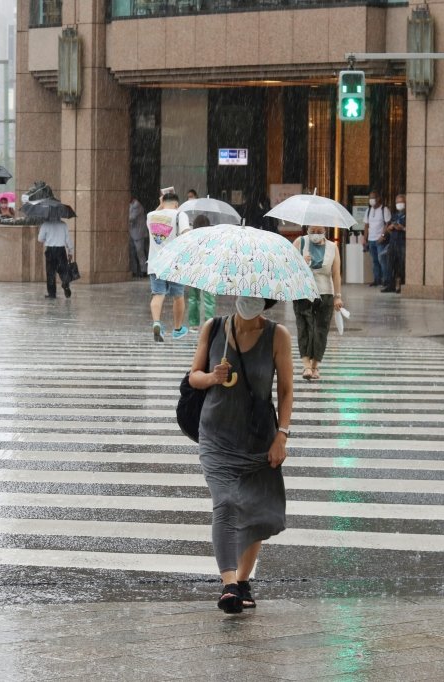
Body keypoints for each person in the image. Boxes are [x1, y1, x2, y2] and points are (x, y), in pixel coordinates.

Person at [187, 297, 293, 614]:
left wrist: (281, 436)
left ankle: (243, 581)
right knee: (227, 501)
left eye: (257, 295)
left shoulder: (278, 335)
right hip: (217, 434)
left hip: (259, 437)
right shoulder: (214, 327)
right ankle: (229, 584)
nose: (250, 299)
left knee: (256, 509)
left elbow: (286, 390)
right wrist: (212, 378)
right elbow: (193, 375)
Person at [292, 225, 343, 381]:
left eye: (319, 231)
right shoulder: (299, 242)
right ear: (307, 230)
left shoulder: (333, 248)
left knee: (320, 331)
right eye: (312, 231)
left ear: (324, 231)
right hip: (303, 293)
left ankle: (315, 366)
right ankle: (306, 365)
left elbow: (336, 274)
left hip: (325, 294)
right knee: (305, 328)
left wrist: (338, 296)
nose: (315, 234)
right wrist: (300, 261)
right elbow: (288, 266)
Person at [146, 191, 191, 342]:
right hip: (174, 263)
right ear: (177, 204)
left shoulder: (151, 215)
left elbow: (158, 213)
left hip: (155, 263)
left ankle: (157, 323)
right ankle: (177, 329)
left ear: (163, 201)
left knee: (158, 294)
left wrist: (160, 204)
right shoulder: (180, 215)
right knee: (178, 296)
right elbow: (186, 234)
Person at [186, 215, 215, 329]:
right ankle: (209, 323)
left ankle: (194, 324)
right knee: (210, 299)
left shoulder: (191, 237)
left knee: (193, 297)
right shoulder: (213, 238)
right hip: (209, 270)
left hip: (194, 270)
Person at [38, 217, 74, 299]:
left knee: (50, 272)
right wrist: (70, 251)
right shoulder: (63, 224)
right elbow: (68, 239)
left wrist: (47, 238)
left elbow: (40, 239)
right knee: (63, 270)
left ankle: (52, 293)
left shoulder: (45, 224)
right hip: (61, 250)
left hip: (50, 250)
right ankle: (65, 284)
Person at [363, 190, 390, 286]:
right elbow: (366, 225)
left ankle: (386, 280)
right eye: (370, 198)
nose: (371, 200)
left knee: (382, 260)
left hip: (380, 240)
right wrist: (365, 238)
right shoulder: (368, 210)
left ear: (378, 198)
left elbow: (387, 224)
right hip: (371, 240)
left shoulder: (384, 210)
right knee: (374, 261)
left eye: (373, 198)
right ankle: (377, 279)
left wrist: (382, 236)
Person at [381, 194, 407, 293]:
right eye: (397, 202)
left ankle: (400, 285)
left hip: (402, 243)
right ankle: (390, 284)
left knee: (400, 265)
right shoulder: (395, 215)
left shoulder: (408, 215)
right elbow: (388, 229)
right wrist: (390, 228)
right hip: (393, 243)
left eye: (401, 202)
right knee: (390, 264)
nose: (399, 204)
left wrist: (402, 228)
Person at [128, 197, 147, 277]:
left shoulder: (137, 205)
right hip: (131, 232)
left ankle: (144, 270)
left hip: (138, 233)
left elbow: (131, 218)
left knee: (140, 252)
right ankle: (134, 270)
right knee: (132, 252)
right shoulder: (130, 205)